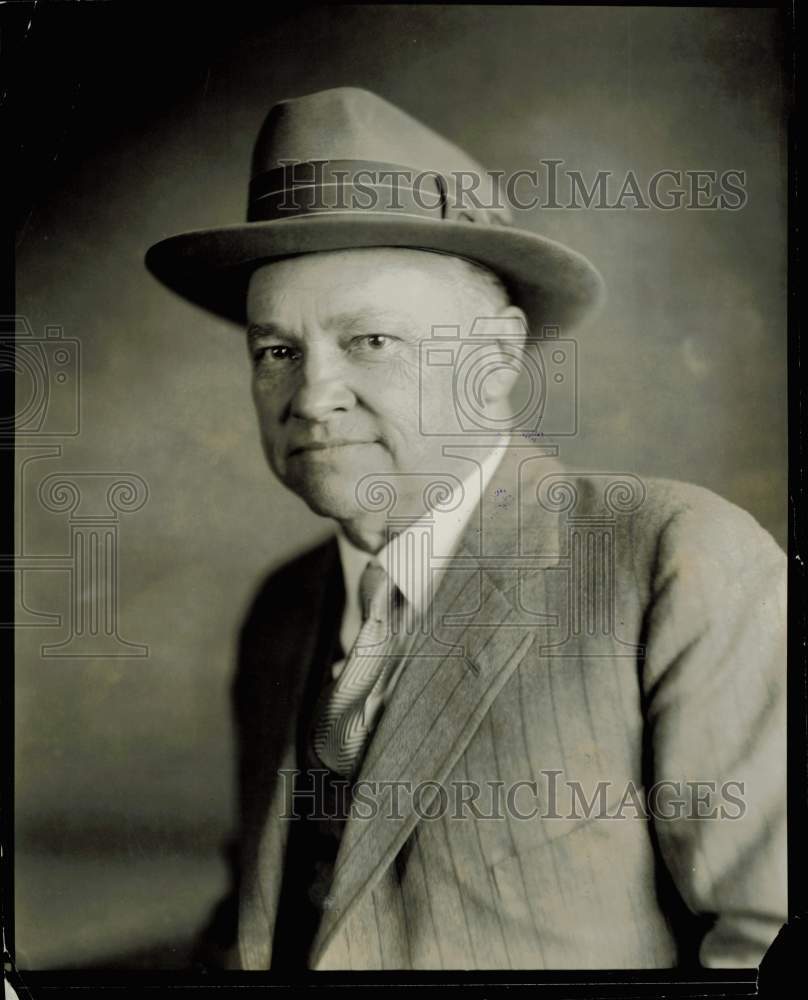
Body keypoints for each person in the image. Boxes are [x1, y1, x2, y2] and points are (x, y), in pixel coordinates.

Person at [146, 87, 786, 971]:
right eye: (276, 351)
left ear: (494, 359)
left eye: (369, 340)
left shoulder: (673, 560)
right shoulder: (282, 610)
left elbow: (770, 945)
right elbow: (259, 926)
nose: (310, 393)